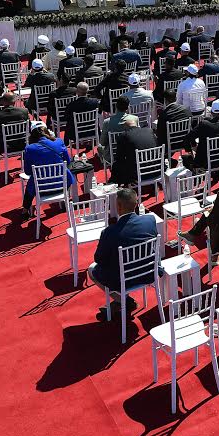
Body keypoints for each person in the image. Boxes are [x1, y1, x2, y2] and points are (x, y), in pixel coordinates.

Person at [90, 187, 159, 321]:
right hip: (148, 272)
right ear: (136, 204)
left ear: (119, 206)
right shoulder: (150, 220)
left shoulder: (109, 232)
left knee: (92, 270)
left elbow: (98, 259)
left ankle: (123, 300)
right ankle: (123, 301)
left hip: (124, 280)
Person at [19, 120, 74, 213]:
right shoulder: (59, 142)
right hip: (62, 185)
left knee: (31, 182)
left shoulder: (30, 149)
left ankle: (25, 210)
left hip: (41, 189)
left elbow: (28, 171)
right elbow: (68, 162)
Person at [0, 90, 30, 172]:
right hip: (22, 144)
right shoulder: (24, 111)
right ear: (14, 102)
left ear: (2, 102)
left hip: (4, 146)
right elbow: (29, 127)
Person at [110, 114, 159, 186]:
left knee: (116, 165)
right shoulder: (149, 131)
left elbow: (119, 158)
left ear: (126, 126)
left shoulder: (124, 136)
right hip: (157, 169)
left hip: (139, 174)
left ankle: (115, 185)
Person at [186, 99, 219, 170]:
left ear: (211, 112)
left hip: (204, 162)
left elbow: (188, 137)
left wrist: (193, 146)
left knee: (186, 158)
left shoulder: (204, 124)